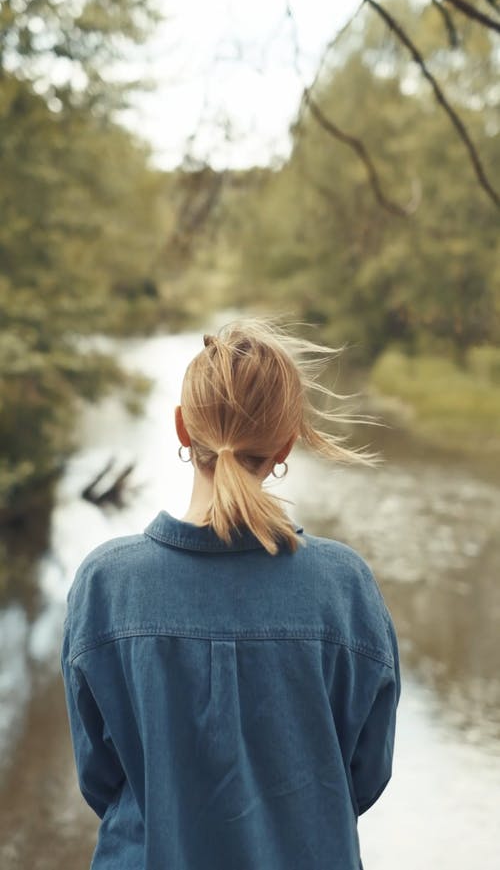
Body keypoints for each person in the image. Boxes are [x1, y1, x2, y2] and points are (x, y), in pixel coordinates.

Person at [61, 316, 401, 870]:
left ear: (181, 428)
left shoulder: (106, 585)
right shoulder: (345, 588)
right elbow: (364, 775)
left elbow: (99, 776)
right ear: (285, 444)